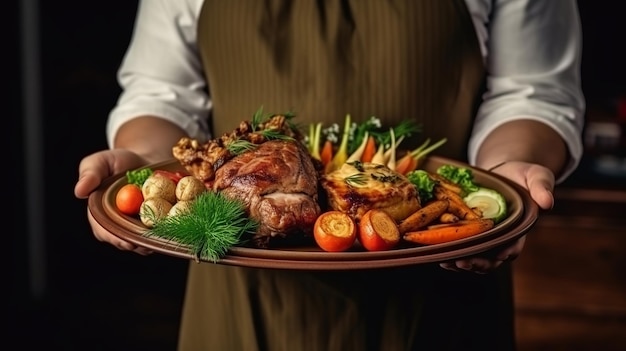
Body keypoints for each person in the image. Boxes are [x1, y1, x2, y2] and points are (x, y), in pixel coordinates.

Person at [74, 1, 585, 350]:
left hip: (443, 282)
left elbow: (532, 92)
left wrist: (504, 174)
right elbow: (162, 93)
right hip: (237, 291)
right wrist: (144, 164)